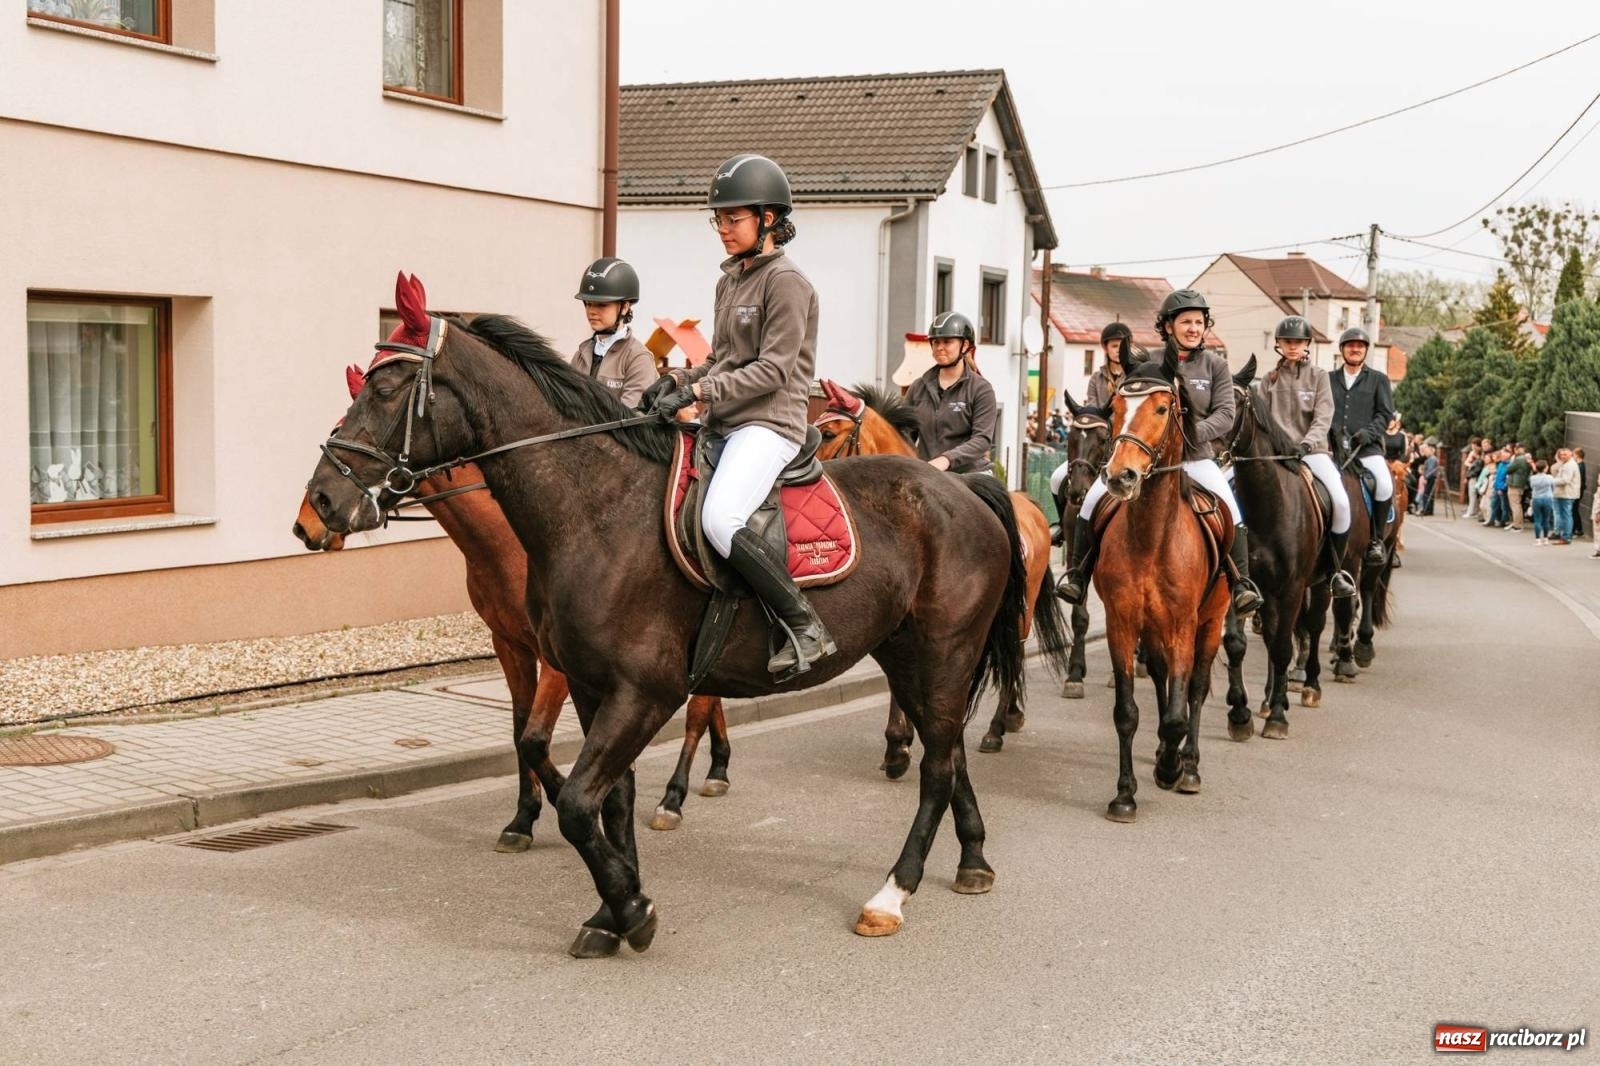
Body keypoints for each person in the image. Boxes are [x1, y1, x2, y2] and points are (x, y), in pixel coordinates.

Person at [640, 153, 834, 677]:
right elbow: (721, 359)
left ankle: (804, 623)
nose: (723, 229)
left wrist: (702, 389)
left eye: (733, 218)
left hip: (771, 423)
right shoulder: (729, 282)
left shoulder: (788, 283)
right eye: (718, 220)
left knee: (720, 517)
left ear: (768, 219)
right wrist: (676, 380)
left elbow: (773, 370)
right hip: (725, 421)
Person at [1057, 290, 1262, 615]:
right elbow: (1127, 406)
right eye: (1186, 322)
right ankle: (1078, 576)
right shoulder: (1147, 362)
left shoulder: (1216, 365)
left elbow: (1225, 414)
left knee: (1230, 508)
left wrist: (1188, 435)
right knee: (1094, 499)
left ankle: (1240, 584)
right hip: (1146, 461)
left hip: (1195, 458)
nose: (1193, 328)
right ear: (1168, 326)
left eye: (1199, 322)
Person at [1258, 315, 1355, 597]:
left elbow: (1323, 418)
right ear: (1278, 343)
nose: (1292, 346)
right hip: (1276, 454)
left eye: (1298, 341)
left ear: (1306, 344)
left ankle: (1335, 571)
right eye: (1287, 341)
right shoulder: (1268, 380)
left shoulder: (1319, 376)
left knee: (1341, 502)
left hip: (1312, 453)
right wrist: (1275, 447)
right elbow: (1261, 419)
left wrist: (1305, 445)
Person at [1328, 326, 1396, 563]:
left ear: (1365, 350)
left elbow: (1385, 414)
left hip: (1366, 449)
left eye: (1359, 346)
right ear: (1342, 350)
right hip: (1332, 449)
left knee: (1384, 485)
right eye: (1350, 345)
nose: (1355, 349)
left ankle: (1376, 540)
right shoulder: (1328, 379)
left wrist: (1368, 433)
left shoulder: (1378, 379)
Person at [905, 311, 998, 474]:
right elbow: (905, 435)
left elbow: (982, 440)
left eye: (947, 342)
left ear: (965, 345)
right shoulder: (917, 387)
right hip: (928, 474)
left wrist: (946, 460)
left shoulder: (981, 389)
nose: (939, 348)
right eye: (935, 342)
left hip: (971, 475)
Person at [570, 257, 659, 408]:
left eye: (601, 305)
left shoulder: (638, 358)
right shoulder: (580, 356)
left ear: (625, 307)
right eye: (588, 304)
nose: (591, 311)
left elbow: (630, 416)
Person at [1086, 322, 1134, 408]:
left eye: (1123, 346)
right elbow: (1092, 408)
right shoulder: (1096, 379)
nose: (1119, 350)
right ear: (1105, 348)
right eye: (1115, 346)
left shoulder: (1135, 377)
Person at [1552, 448, 1580, 545]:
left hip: (1566, 494)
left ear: (1570, 454)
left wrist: (1551, 481)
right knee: (1566, 515)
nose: (1562, 456)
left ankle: (1566, 537)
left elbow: (1565, 480)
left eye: (1565, 454)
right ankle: (1565, 536)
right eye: (1561, 454)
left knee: (1566, 516)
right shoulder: (1567, 464)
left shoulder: (1569, 465)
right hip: (1565, 494)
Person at [1505, 445, 1530, 532]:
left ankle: (1518, 525)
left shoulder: (1519, 459)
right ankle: (1516, 523)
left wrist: (1511, 460)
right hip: (1520, 484)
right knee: (1516, 504)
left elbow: (1508, 469)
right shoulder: (1526, 458)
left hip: (1515, 484)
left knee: (1515, 505)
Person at [1530, 460, 1555, 544]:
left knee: (1537, 519)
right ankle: (1546, 539)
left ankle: (1538, 540)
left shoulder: (1532, 478)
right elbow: (1553, 487)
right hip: (1548, 498)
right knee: (1546, 519)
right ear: (1545, 468)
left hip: (1536, 498)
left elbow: (1532, 487)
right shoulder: (1550, 477)